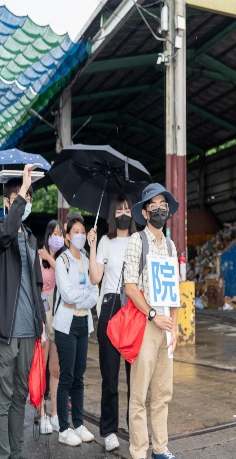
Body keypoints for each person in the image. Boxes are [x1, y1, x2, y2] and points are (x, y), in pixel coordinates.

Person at [0, 165, 46, 459]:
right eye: (22, 196)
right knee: (3, 398)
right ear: (9, 201)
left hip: (28, 330)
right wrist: (21, 192)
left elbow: (37, 284)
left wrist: (41, 322)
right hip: (5, 331)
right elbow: (7, 232)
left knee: (21, 396)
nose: (27, 201)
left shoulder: (31, 237)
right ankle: (2, 455)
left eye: (29, 196)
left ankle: (17, 454)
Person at [124, 183, 180, 459]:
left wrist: (174, 326)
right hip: (146, 324)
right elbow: (130, 286)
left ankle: (160, 448)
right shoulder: (138, 241)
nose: (159, 209)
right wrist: (153, 315)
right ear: (145, 213)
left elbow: (176, 291)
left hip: (165, 326)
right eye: (153, 205)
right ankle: (138, 451)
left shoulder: (170, 246)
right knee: (139, 394)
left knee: (162, 393)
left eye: (163, 205)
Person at [87, 194, 136, 452]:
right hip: (111, 309)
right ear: (112, 215)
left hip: (135, 309)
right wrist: (93, 245)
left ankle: (135, 428)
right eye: (119, 210)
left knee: (135, 376)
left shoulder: (140, 241)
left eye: (127, 209)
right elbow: (95, 278)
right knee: (110, 375)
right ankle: (108, 430)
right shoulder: (107, 241)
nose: (124, 214)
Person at [53, 215, 98, 447]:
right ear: (68, 236)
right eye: (76, 231)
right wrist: (83, 298)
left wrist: (80, 299)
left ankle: (78, 423)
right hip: (66, 326)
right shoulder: (63, 261)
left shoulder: (88, 258)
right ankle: (63, 428)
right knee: (67, 377)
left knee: (79, 377)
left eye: (83, 230)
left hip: (83, 324)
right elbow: (67, 295)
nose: (81, 234)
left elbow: (94, 294)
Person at [36, 220, 64, 434]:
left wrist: (51, 259)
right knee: (41, 367)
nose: (57, 237)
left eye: (60, 233)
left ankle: (55, 414)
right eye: (53, 233)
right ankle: (42, 413)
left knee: (55, 368)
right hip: (43, 314)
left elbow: (66, 276)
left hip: (59, 315)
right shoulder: (39, 258)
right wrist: (46, 258)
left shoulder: (63, 259)